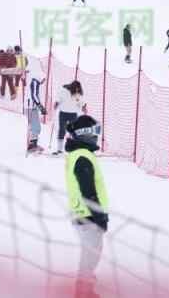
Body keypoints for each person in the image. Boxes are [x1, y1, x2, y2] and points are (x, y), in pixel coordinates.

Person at [65, 115, 108, 297]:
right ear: (85, 134)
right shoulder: (82, 157)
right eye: (95, 132)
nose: (97, 136)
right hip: (87, 213)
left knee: (93, 251)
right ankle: (83, 289)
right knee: (91, 253)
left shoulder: (79, 154)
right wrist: (98, 215)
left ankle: (86, 281)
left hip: (83, 213)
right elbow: (88, 189)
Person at [52, 80, 84, 155]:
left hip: (73, 114)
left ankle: (74, 148)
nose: (77, 90)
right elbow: (58, 99)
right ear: (72, 87)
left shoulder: (78, 94)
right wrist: (56, 103)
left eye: (78, 89)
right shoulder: (64, 91)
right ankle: (59, 149)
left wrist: (83, 107)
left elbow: (81, 103)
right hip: (63, 113)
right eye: (76, 88)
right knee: (62, 130)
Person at [26, 57, 47, 153]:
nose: (43, 82)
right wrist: (40, 106)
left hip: (32, 106)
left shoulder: (35, 82)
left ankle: (33, 144)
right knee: (35, 126)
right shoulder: (34, 82)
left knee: (34, 126)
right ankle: (32, 145)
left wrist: (39, 106)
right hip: (31, 106)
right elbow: (34, 95)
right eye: (43, 79)